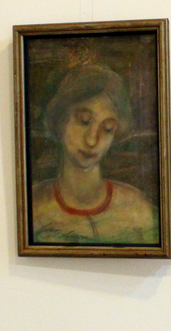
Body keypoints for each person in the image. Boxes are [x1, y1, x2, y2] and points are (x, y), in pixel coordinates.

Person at [31, 64, 159, 244]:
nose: (92, 140)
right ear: (60, 121)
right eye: (84, 121)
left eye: (108, 129)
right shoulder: (33, 206)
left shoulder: (140, 211)